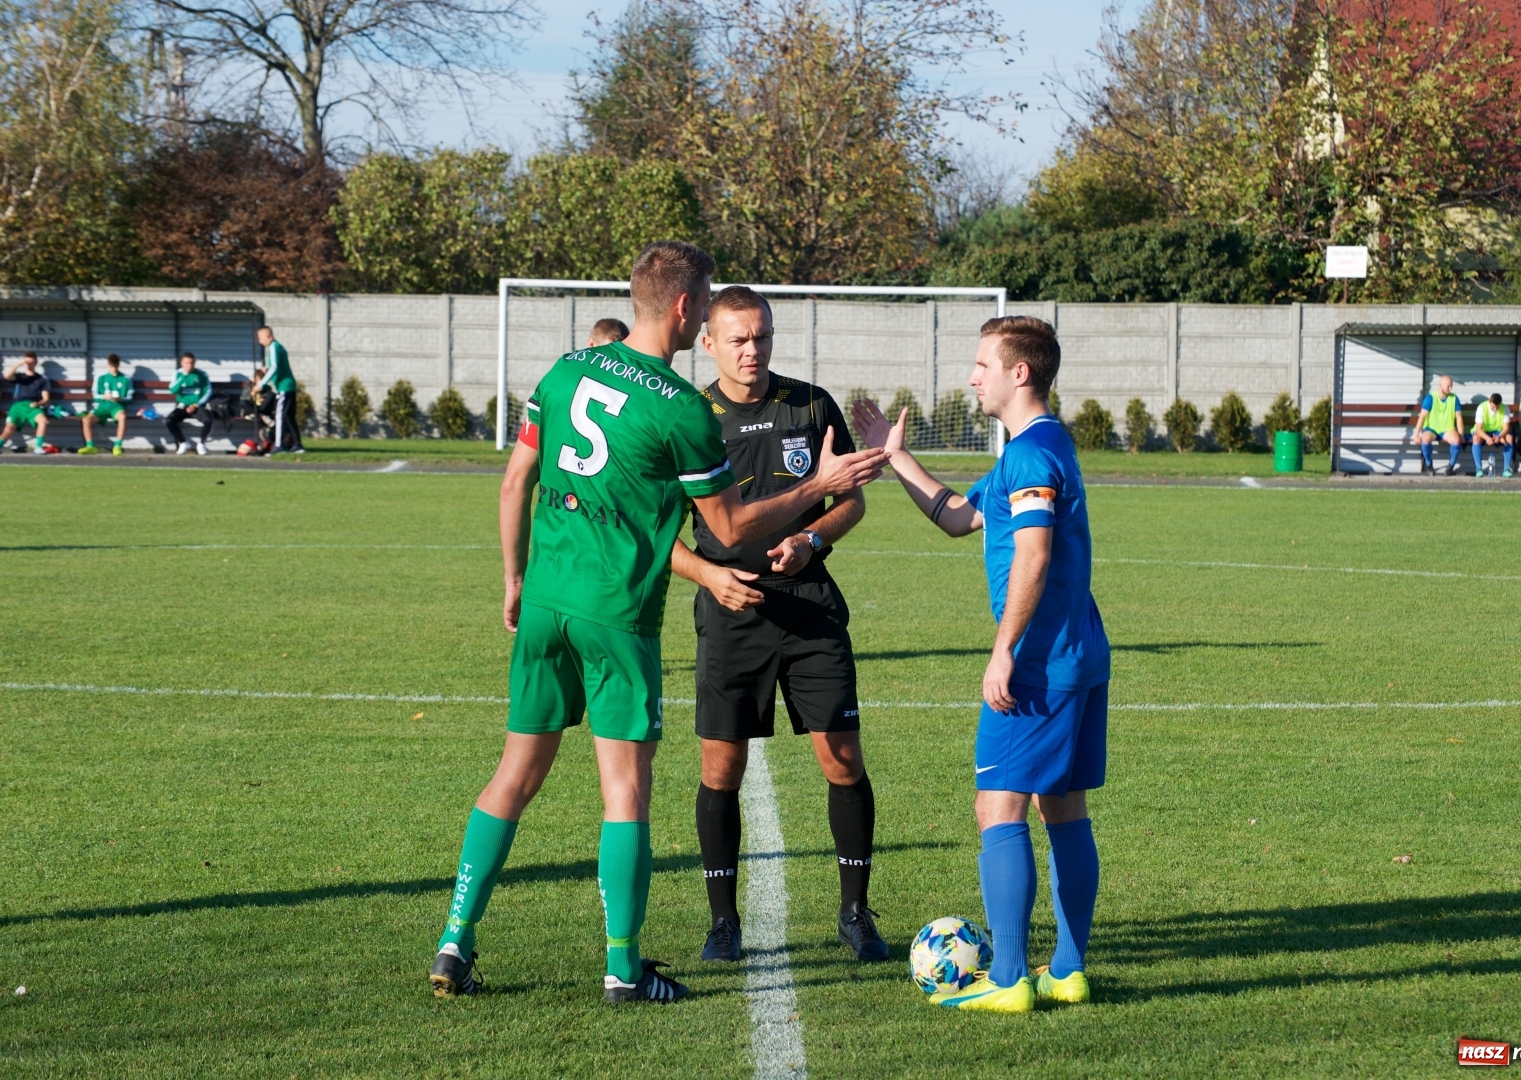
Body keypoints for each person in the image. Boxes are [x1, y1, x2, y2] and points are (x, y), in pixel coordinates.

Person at [426, 241, 887, 1004]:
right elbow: (733, 526)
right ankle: (622, 966)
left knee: (513, 775)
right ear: (683, 311)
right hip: (616, 615)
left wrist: (513, 578)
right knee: (625, 792)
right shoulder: (679, 407)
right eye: (706, 308)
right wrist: (825, 484)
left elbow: (516, 480)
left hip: (544, 598)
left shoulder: (566, 368)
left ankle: (454, 940)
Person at [850, 315, 1110, 1014]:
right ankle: (1067, 970)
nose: (972, 376)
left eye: (981, 364)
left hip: (1038, 663)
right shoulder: (1039, 446)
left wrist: (1002, 652)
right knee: (1063, 809)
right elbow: (960, 518)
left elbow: (1032, 553)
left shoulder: (1030, 456)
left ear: (1018, 372)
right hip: (1079, 654)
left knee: (997, 807)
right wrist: (893, 457)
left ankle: (1008, 980)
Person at [668, 286, 885, 965]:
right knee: (720, 769)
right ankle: (723, 923)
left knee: (841, 759)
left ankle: (854, 913)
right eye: (736, 338)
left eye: (761, 336)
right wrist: (709, 575)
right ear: (707, 343)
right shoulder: (683, 417)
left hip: (810, 606)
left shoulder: (810, 404)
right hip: (729, 614)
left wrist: (811, 541)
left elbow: (849, 503)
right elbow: (649, 533)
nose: (751, 349)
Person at [255, 326, 303, 454]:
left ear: (268, 336)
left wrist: (262, 383)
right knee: (289, 417)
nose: (259, 341)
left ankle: (279, 445)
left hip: (284, 387)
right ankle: (297, 444)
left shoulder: (273, 347)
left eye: (260, 338)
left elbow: (274, 367)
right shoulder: (279, 347)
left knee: (280, 416)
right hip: (289, 385)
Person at [78, 353, 132, 455]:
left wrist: (119, 398)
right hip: (103, 406)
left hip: (117, 407)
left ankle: (117, 446)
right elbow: (95, 395)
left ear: (119, 365)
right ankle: (90, 446)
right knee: (86, 419)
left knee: (123, 417)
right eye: (112, 366)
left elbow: (130, 397)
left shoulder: (126, 379)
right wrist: (104, 396)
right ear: (108, 365)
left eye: (116, 366)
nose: (114, 368)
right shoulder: (100, 377)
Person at [3, 351, 53, 454]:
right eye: (27, 362)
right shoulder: (19, 376)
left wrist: (38, 404)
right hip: (18, 405)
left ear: (36, 362)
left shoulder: (41, 379)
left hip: (33, 405)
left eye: (31, 362)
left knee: (43, 420)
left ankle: (38, 447)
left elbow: (46, 398)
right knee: (9, 427)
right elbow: (7, 376)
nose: (29, 364)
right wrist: (19, 363)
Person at [165, 353, 213, 455]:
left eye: (191, 363)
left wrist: (196, 404)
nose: (189, 365)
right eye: (186, 363)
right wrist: (183, 377)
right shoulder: (177, 374)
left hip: (197, 406)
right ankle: (183, 442)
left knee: (208, 420)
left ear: (194, 363)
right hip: (182, 406)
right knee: (169, 420)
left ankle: (201, 444)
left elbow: (208, 392)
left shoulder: (202, 374)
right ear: (182, 363)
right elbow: (173, 390)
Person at [1415, 374, 1463, 476]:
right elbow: (1422, 417)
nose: (1450, 388)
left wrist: (1461, 434)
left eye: (1451, 386)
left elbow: (1459, 418)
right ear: (1440, 385)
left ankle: (1450, 466)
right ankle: (1428, 464)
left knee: (1457, 440)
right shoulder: (1430, 398)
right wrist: (1416, 435)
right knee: (1425, 439)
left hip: (1447, 429)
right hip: (1431, 429)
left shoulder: (1454, 398)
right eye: (1448, 386)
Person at [1470, 393, 1514, 478]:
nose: (1495, 409)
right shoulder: (1481, 408)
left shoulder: (1505, 408)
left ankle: (1506, 469)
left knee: (1509, 438)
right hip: (1484, 431)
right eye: (1493, 407)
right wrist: (1487, 438)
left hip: (1498, 432)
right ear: (1489, 402)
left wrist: (1499, 437)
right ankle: (1478, 468)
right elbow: (1478, 429)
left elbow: (1506, 428)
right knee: (1476, 438)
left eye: (1497, 407)